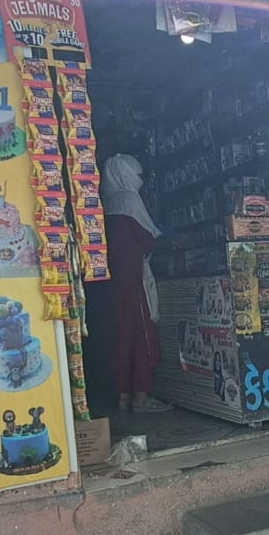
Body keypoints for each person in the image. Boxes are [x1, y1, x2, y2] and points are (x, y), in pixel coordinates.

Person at [101, 154, 163, 412]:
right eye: (137, 176)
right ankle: (141, 394)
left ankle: (123, 394)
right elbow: (148, 237)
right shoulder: (129, 199)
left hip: (112, 279)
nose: (139, 181)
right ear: (125, 175)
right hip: (133, 277)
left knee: (121, 335)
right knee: (141, 333)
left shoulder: (107, 202)